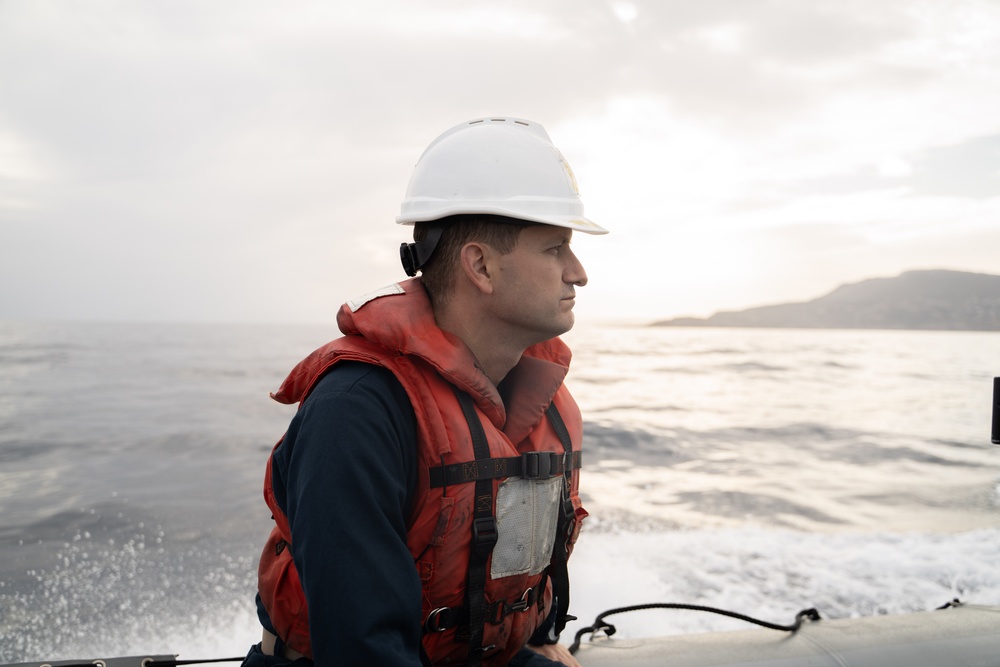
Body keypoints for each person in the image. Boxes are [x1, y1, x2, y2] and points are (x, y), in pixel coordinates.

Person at [243, 117, 608, 667]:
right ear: (480, 266)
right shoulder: (358, 411)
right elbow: (365, 653)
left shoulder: (541, 400)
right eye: (556, 248)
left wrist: (535, 637)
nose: (577, 273)